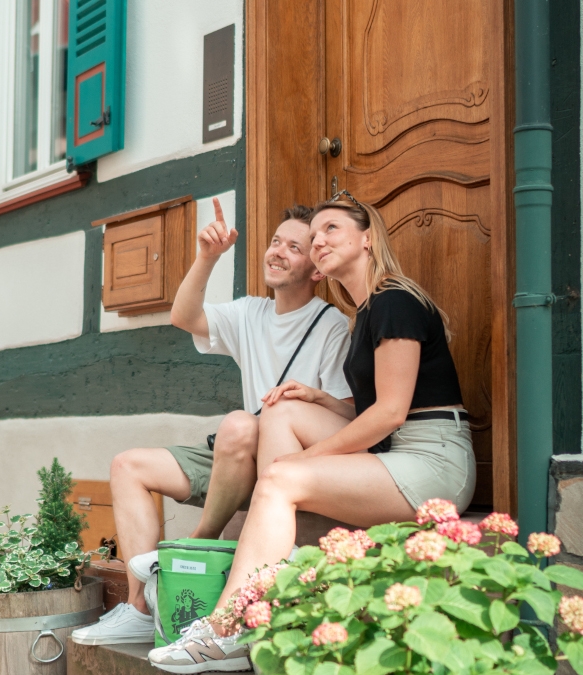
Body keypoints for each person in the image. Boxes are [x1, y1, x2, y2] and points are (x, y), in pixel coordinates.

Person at [146, 191, 474, 673]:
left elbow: (389, 415)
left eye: (332, 229)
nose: (319, 240)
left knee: (279, 479)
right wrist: (319, 399)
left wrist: (301, 461)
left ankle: (228, 628)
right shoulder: (364, 312)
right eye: (314, 233)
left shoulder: (394, 300)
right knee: (280, 407)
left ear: (367, 238)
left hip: (434, 462)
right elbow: (373, 408)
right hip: (397, 453)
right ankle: (281, 566)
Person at [71, 198, 353, 647]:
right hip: (232, 451)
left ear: (317, 269)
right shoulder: (251, 312)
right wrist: (207, 257)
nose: (276, 251)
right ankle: (141, 609)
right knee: (128, 465)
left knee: (242, 423)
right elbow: (184, 317)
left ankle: (196, 544)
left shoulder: (331, 326)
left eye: (293, 248)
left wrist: (310, 398)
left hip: (280, 456)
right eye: (275, 241)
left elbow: (347, 414)